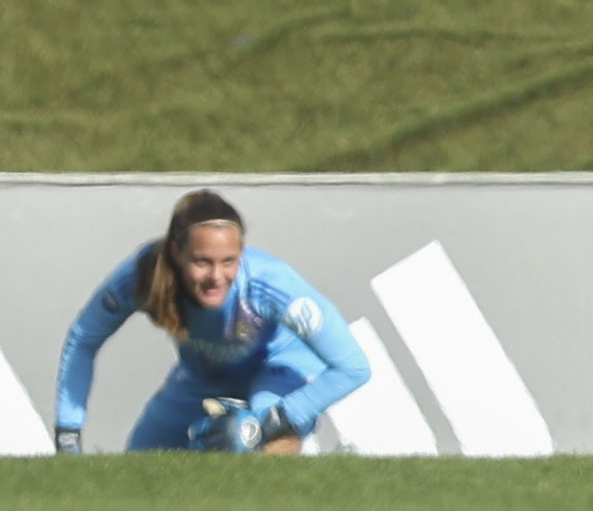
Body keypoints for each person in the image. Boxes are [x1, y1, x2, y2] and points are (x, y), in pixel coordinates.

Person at [53, 189, 371, 454]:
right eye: (202, 262)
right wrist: (68, 433)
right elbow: (84, 338)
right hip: (202, 375)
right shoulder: (144, 277)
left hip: (281, 368)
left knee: (246, 442)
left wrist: (273, 421)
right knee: (140, 464)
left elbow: (354, 366)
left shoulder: (269, 284)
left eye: (229, 261)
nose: (216, 277)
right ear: (177, 253)